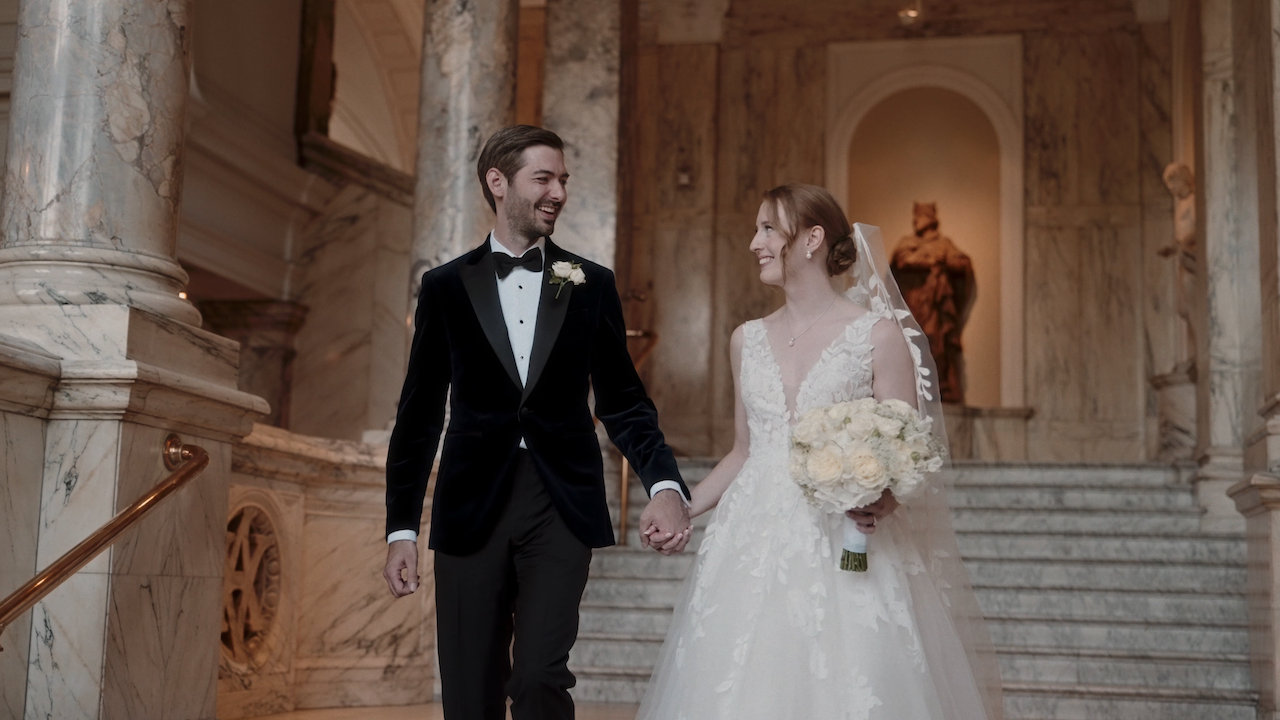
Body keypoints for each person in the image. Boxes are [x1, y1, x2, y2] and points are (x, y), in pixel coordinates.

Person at [636, 184, 1002, 719]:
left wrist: (883, 500)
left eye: (767, 228)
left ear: (812, 239)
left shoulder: (877, 336)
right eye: (756, 229)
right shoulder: (745, 340)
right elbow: (744, 451)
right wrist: (682, 510)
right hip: (752, 545)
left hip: (845, 542)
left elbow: (909, 449)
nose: (754, 242)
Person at [382, 125, 691, 720]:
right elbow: (418, 416)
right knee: (469, 691)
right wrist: (401, 529)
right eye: (544, 179)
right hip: (471, 503)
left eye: (563, 180)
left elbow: (624, 401)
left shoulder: (591, 284)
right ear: (498, 182)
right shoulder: (444, 287)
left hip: (560, 498)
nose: (558, 193)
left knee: (540, 675)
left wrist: (664, 483)